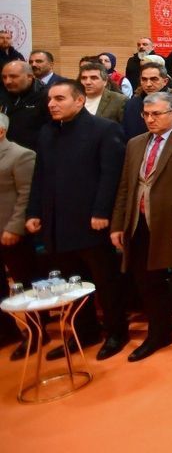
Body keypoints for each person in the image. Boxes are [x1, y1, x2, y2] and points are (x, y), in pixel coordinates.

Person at [26, 80, 127, 360]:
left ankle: (117, 332)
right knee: (72, 284)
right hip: (57, 224)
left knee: (105, 283)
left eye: (59, 98)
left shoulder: (104, 129)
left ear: (79, 101)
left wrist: (102, 212)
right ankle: (85, 332)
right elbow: (40, 176)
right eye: (50, 99)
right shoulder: (47, 132)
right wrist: (34, 212)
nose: (52, 104)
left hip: (93, 222)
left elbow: (111, 176)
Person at [109, 91, 172, 362]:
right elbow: (125, 186)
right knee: (147, 282)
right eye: (146, 114)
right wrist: (118, 224)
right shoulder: (135, 143)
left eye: (156, 114)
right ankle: (159, 333)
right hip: (139, 222)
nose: (150, 119)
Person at [0, 113, 37, 357]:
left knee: (25, 284)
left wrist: (14, 227)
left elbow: (26, 195)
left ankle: (36, 331)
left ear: (1, 131)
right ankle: (6, 331)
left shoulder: (20, 155)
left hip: (11, 230)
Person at [0, 60, 50, 150]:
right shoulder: (3, 94)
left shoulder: (47, 96)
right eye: (4, 77)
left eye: (13, 76)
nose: (7, 81)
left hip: (34, 153)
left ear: (30, 77)